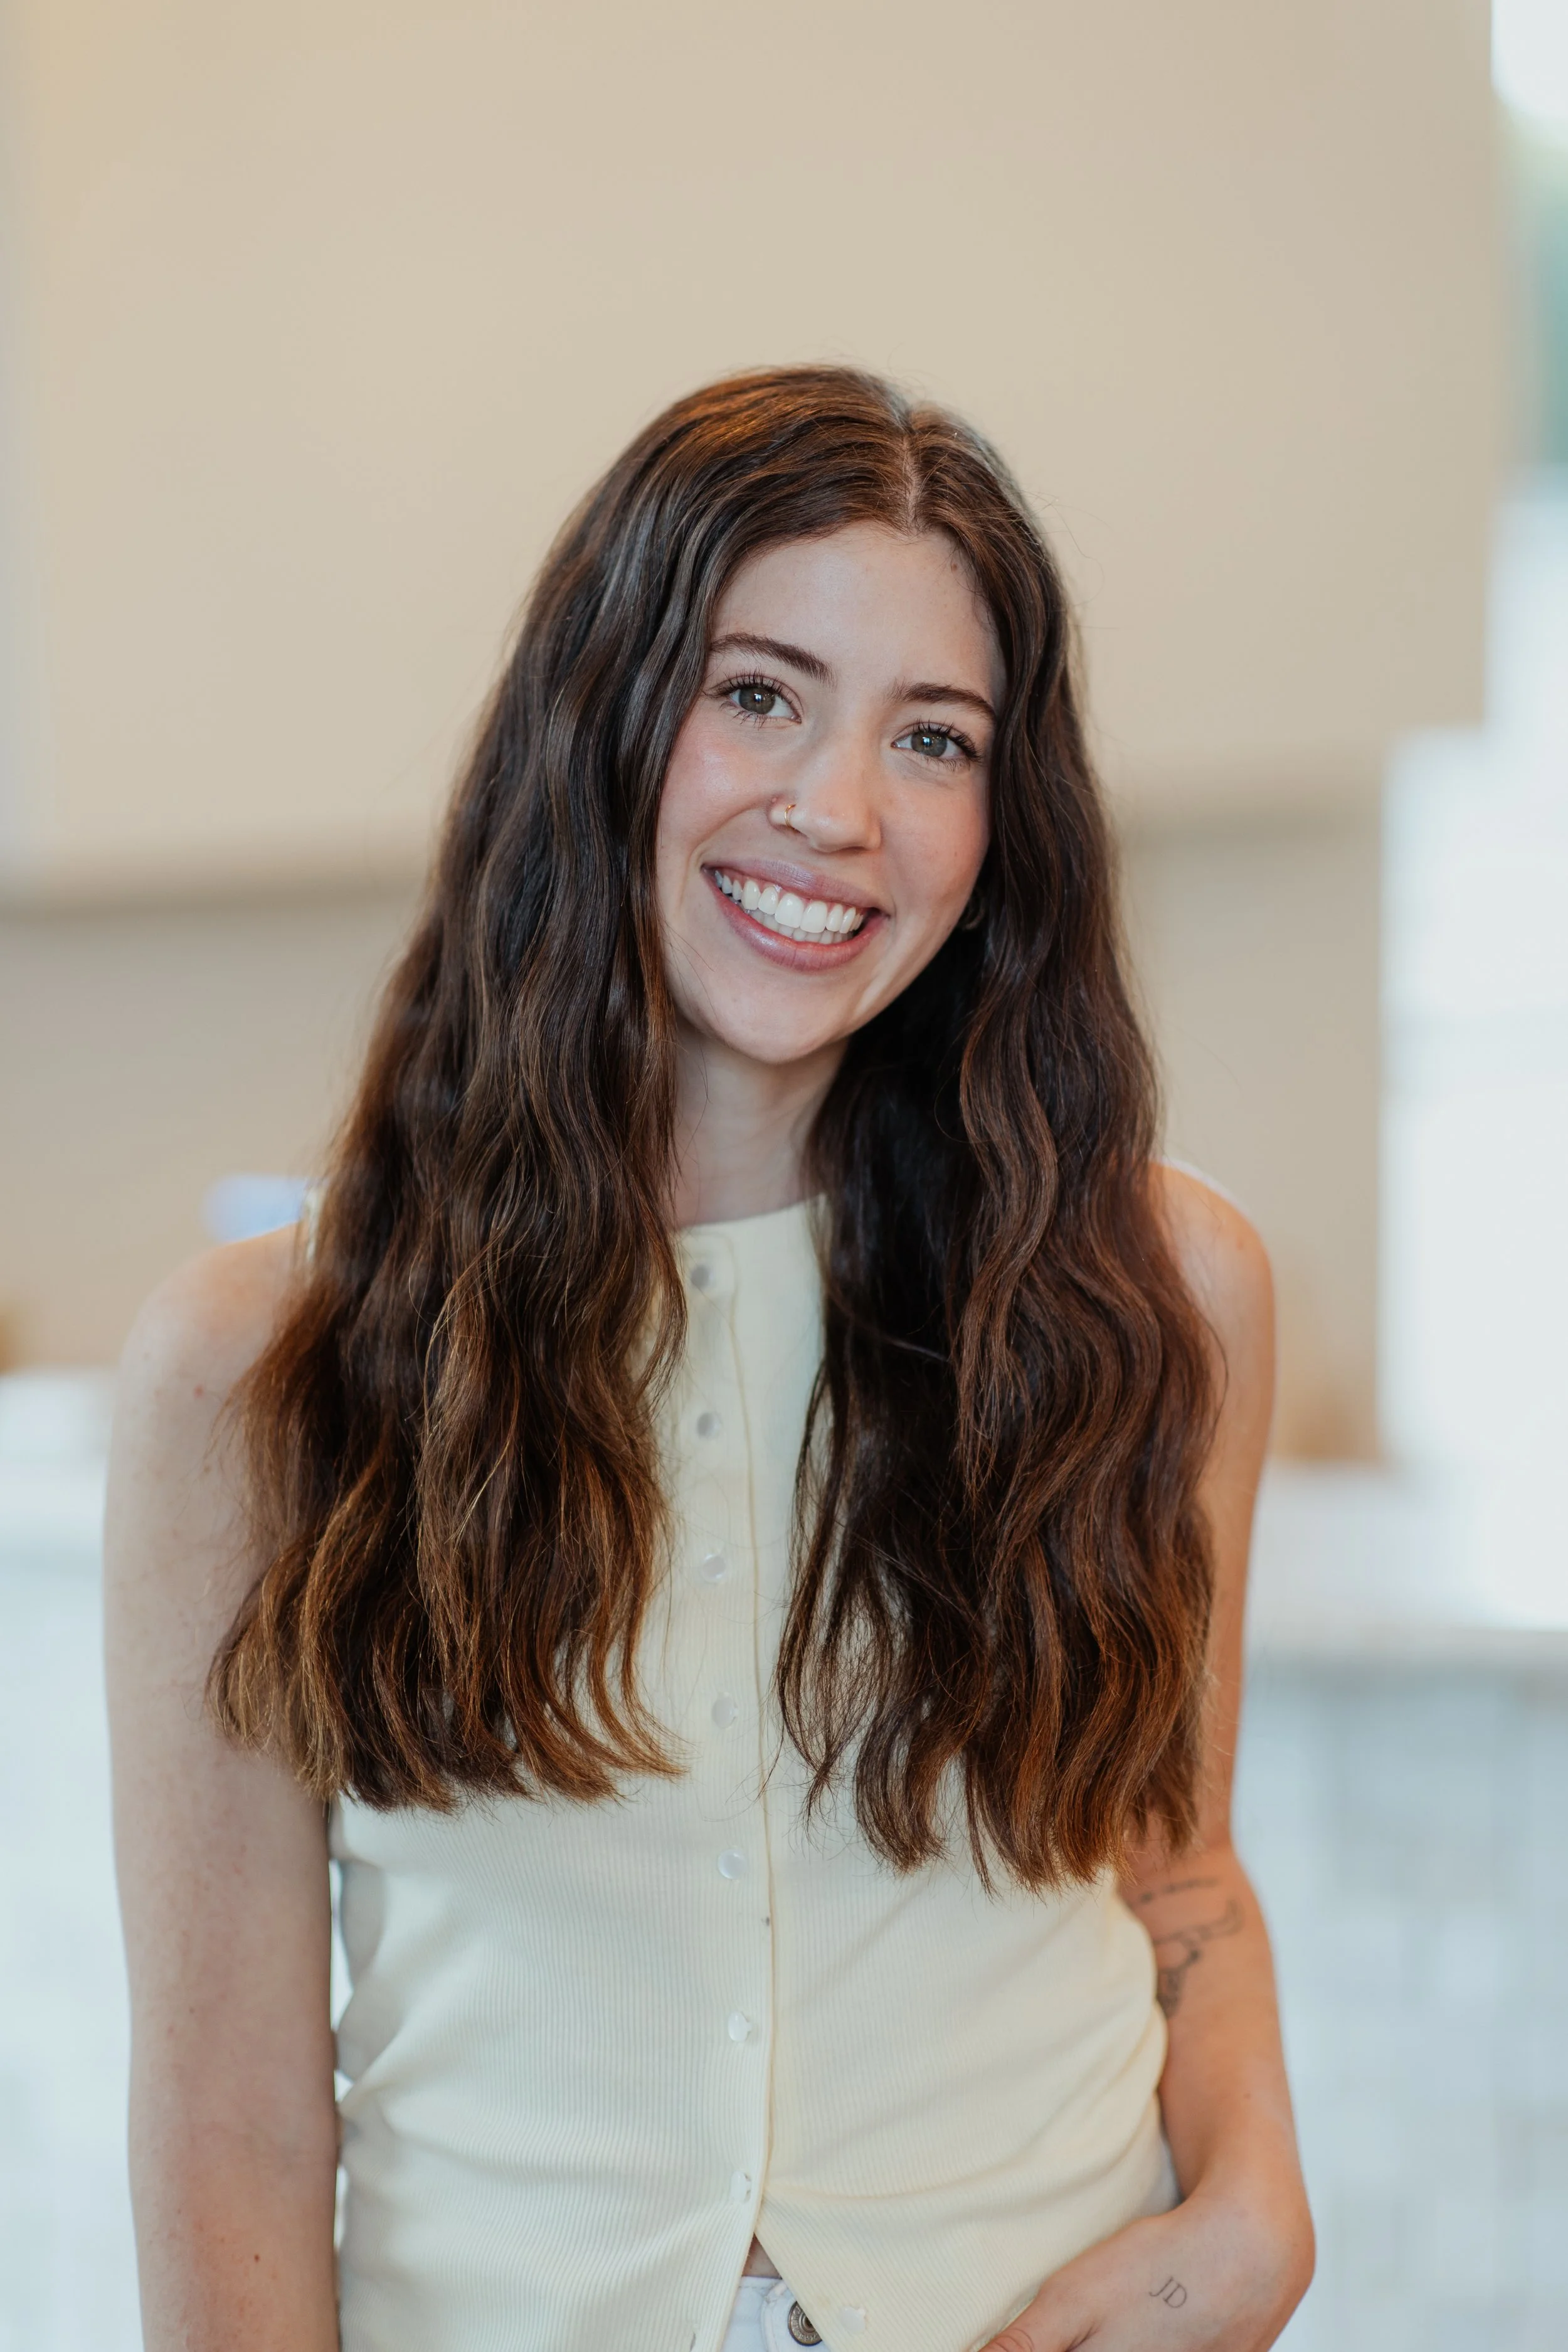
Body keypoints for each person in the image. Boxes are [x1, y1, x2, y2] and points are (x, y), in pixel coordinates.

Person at [106, 366, 1313, 2352]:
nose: (834, 808)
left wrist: (1250, 2220)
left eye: (932, 737)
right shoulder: (256, 1374)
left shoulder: (1162, 1294)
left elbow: (1180, 1879)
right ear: (602, 715)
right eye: (757, 692)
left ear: (1004, 821)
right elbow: (230, 2116)